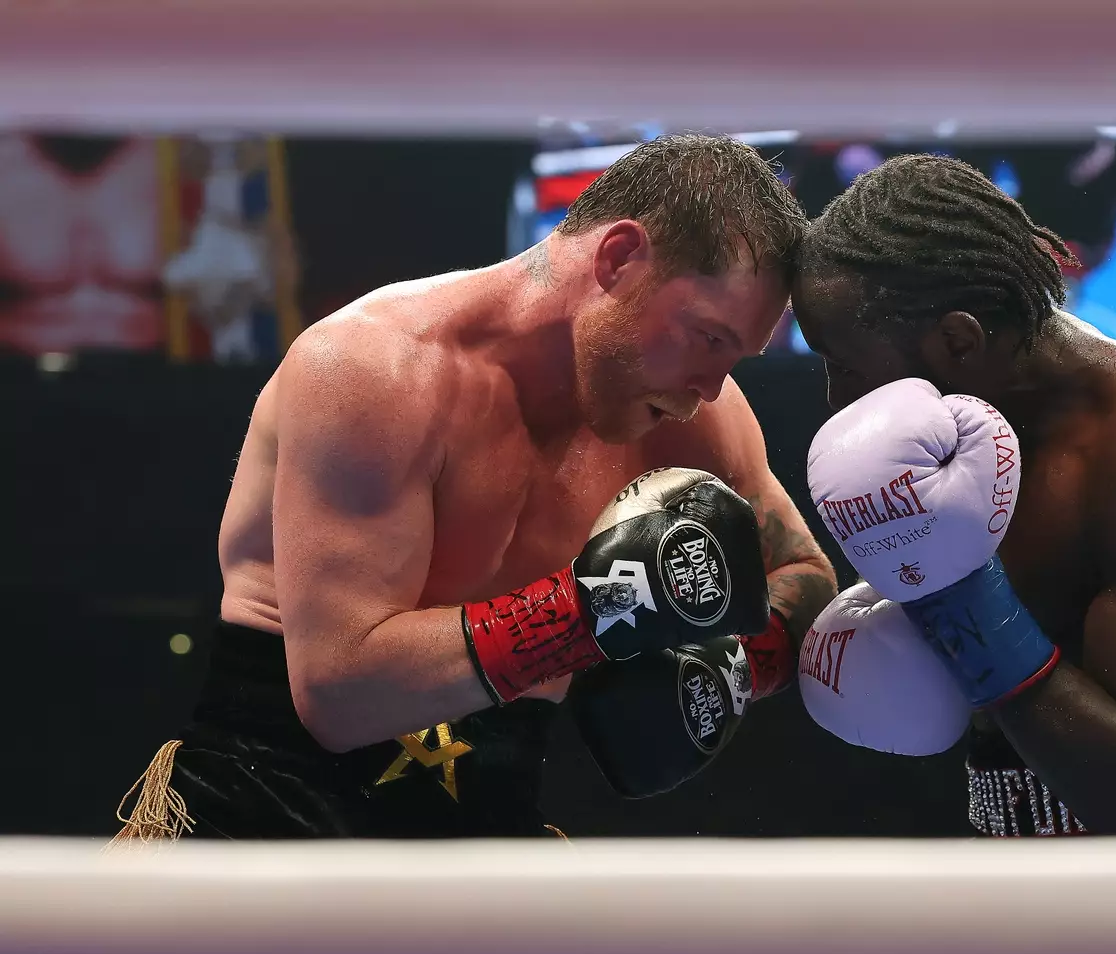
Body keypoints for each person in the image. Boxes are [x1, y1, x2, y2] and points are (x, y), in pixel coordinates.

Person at [112, 134, 837, 842]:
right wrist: (593, 613)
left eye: (735, 359)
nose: (710, 387)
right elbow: (338, 694)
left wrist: (734, 666)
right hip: (265, 815)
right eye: (709, 338)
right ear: (619, 258)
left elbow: (805, 575)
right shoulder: (375, 370)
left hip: (489, 830)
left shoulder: (693, 415)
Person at [793, 154, 1116, 836]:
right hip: (1018, 880)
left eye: (846, 366)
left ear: (957, 340)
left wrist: (955, 598)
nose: (835, 398)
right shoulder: (948, 432)